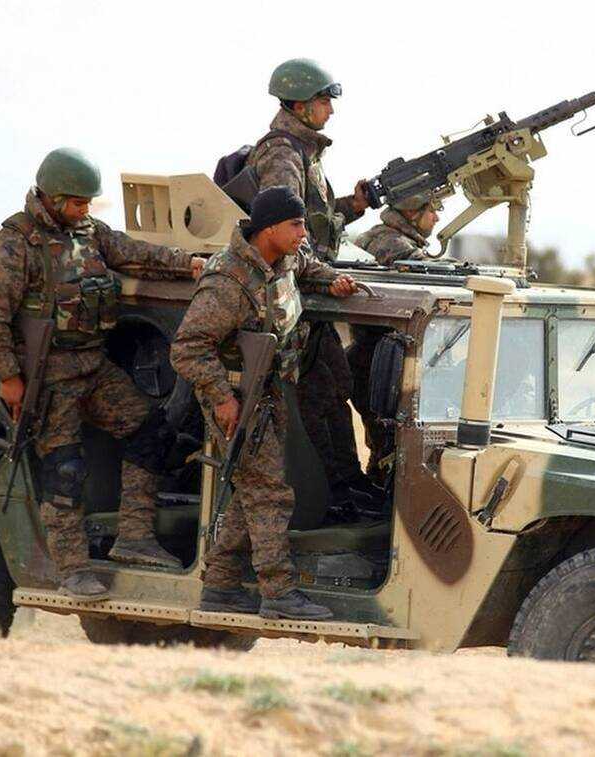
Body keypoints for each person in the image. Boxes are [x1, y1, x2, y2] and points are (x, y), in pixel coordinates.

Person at [0, 147, 204, 601]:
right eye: (78, 203)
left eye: (88, 203)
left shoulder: (89, 232)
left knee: (151, 429)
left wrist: (188, 262)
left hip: (93, 367)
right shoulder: (17, 244)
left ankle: (134, 537)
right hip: (48, 378)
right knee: (65, 470)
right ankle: (73, 570)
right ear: (53, 197)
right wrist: (10, 377)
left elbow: (133, 253)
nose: (85, 210)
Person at [170, 187, 360, 620]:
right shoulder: (228, 280)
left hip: (271, 391)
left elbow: (309, 268)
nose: (303, 233)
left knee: (251, 492)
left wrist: (333, 281)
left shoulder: (286, 259)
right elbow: (188, 347)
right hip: (238, 398)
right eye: (296, 225)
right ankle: (278, 592)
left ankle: (219, 585)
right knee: (270, 493)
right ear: (269, 228)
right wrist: (222, 399)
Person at [248, 57, 377, 511]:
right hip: (296, 294)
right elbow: (282, 231)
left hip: (311, 288)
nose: (331, 110)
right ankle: (329, 492)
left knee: (334, 384)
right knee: (317, 393)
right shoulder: (283, 154)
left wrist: (353, 206)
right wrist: (324, 275)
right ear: (301, 105)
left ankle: (347, 483)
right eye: (324, 101)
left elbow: (310, 222)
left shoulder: (304, 153)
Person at [347, 192, 441, 480]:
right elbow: (436, 277)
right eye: (432, 210)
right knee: (390, 448)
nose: (436, 218)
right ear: (412, 212)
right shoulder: (394, 245)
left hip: (373, 357)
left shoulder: (375, 236)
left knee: (381, 444)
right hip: (385, 364)